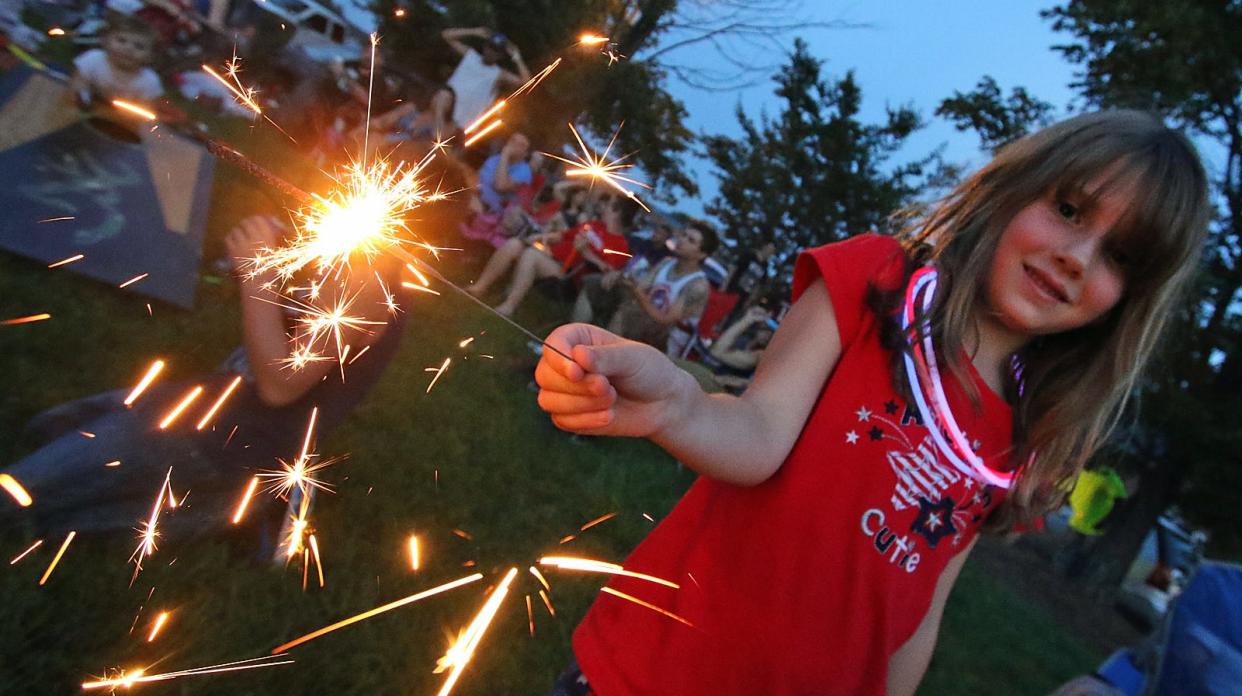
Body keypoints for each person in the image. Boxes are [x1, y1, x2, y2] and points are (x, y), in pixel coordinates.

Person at [534, 110, 1210, 695]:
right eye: (1068, 210)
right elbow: (760, 432)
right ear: (1014, 190)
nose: (1076, 256)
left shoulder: (1022, 439)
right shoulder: (876, 280)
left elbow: (917, 615)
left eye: (1118, 255)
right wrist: (679, 406)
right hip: (650, 674)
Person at [0, 216, 408, 540]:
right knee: (48, 427)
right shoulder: (349, 254)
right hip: (207, 404)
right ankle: (214, 506)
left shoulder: (364, 282)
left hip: (227, 446)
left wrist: (258, 272)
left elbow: (280, 386)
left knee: (22, 498)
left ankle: (249, 504)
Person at [468, 195, 637, 316]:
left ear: (618, 212)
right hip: (550, 257)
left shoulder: (621, 246)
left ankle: (509, 306)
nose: (605, 207)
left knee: (531, 255)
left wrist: (587, 253)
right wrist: (543, 237)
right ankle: (479, 287)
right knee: (514, 244)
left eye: (610, 205)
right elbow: (563, 236)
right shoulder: (594, 224)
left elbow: (607, 272)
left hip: (568, 277)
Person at [606, 220, 719, 354]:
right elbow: (642, 286)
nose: (682, 240)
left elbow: (665, 320)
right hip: (645, 317)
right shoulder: (667, 262)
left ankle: (603, 355)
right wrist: (620, 277)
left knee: (626, 313)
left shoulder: (697, 285)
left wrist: (636, 291)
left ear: (702, 254)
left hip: (666, 338)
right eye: (683, 235)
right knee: (597, 283)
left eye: (691, 240)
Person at [432, 27, 531, 136]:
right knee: (443, 96)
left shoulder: (499, 74)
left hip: (465, 121)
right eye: (490, 47)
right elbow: (446, 35)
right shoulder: (470, 55)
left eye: (496, 51)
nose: (491, 52)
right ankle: (437, 135)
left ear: (500, 56)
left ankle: (438, 138)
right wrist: (473, 32)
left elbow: (526, 82)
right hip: (448, 106)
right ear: (485, 46)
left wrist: (517, 57)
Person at [68, 15, 164, 106]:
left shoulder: (149, 81)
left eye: (139, 46)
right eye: (121, 40)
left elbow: (144, 111)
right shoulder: (93, 59)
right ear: (105, 40)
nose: (128, 48)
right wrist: (80, 99)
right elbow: (77, 86)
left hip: (120, 118)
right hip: (88, 106)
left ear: (150, 56)